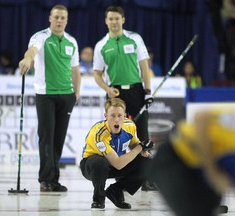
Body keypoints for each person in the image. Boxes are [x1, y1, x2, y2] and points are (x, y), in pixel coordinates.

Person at [149, 104, 235, 215]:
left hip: (205, 173)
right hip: (176, 159)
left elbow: (227, 180)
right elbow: (202, 117)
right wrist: (212, 172)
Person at [18, 4, 81, 192]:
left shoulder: (72, 41)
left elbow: (76, 71)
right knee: (47, 137)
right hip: (46, 95)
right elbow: (32, 51)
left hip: (67, 95)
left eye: (63, 18)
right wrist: (27, 60)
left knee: (59, 139)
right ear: (50, 18)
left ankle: (54, 179)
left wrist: (75, 94)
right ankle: (45, 179)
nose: (60, 20)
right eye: (56, 17)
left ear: (67, 20)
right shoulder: (41, 36)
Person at [93, 5, 155, 191]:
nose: (114, 22)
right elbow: (97, 73)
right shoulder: (101, 45)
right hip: (115, 94)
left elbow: (144, 67)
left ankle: (145, 178)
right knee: (114, 134)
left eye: (117, 18)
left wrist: (148, 90)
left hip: (136, 90)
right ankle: (118, 174)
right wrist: (107, 88)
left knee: (141, 132)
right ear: (106, 21)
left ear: (123, 19)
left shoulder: (135, 39)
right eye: (110, 18)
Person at [80, 98, 155, 210]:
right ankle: (98, 199)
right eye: (112, 116)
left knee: (148, 162)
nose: (116, 120)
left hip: (113, 163)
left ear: (124, 116)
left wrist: (144, 148)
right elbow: (118, 164)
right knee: (99, 162)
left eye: (120, 116)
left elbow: (135, 146)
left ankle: (116, 190)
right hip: (92, 167)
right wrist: (139, 148)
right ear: (106, 116)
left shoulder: (130, 126)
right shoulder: (99, 134)